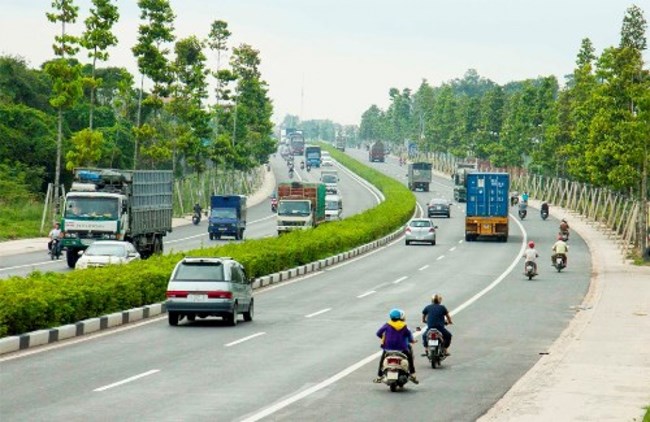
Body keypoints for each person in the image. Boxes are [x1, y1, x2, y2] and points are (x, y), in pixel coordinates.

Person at [374, 308, 418, 384]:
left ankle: (379, 376)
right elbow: (408, 335)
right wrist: (412, 340)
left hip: (388, 348)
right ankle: (413, 374)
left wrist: (384, 337)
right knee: (410, 357)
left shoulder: (387, 324)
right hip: (401, 348)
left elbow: (378, 333)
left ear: (390, 317)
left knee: (382, 360)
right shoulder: (403, 326)